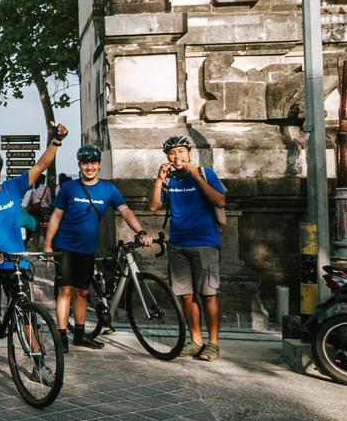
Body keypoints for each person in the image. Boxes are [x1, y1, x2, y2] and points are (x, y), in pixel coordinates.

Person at [0, 123, 67, 389]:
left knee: (29, 316)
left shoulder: (11, 188)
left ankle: (40, 365)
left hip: (16, 263)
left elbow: (41, 165)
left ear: (0, 171)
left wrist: (56, 141)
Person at [44, 144, 151, 352]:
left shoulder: (109, 190)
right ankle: (63, 335)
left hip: (87, 249)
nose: (89, 167)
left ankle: (80, 335)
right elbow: (56, 216)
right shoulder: (69, 188)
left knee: (83, 292)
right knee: (65, 290)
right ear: (79, 165)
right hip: (65, 246)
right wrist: (47, 244)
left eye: (93, 163)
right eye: (85, 163)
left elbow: (125, 211)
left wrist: (141, 231)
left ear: (99, 165)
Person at [149, 135, 227, 362]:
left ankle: (213, 343)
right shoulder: (169, 179)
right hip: (178, 243)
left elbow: (220, 202)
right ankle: (196, 341)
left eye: (181, 152)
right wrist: (158, 180)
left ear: (189, 154)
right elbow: (154, 206)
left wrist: (197, 177)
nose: (177, 157)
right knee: (186, 295)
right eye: (172, 153)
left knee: (209, 294)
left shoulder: (205, 173)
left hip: (204, 242)